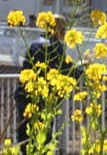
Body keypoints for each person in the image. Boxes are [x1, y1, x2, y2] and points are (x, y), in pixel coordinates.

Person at [14, 14, 85, 154]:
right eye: (64, 29)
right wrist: (82, 68)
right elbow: (68, 71)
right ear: (59, 29)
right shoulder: (55, 47)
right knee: (43, 141)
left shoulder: (35, 44)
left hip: (24, 97)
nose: (65, 33)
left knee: (25, 142)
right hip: (42, 100)